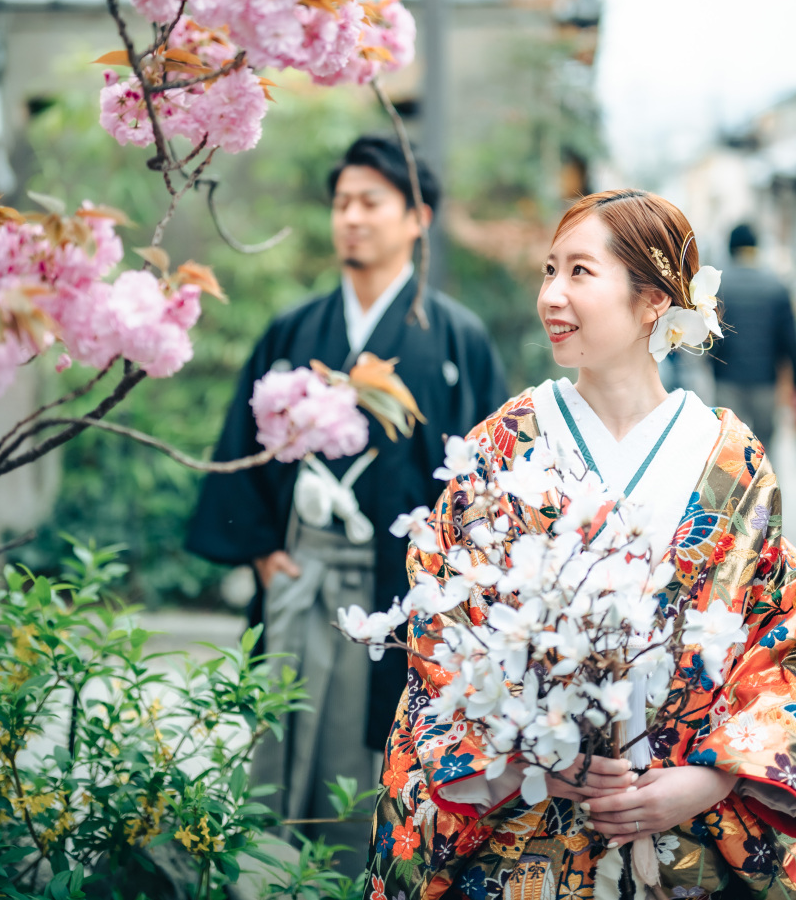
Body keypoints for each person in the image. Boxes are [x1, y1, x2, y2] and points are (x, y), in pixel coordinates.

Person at [367, 189, 796, 900]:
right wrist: (516, 751)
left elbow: (774, 635)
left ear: (653, 298)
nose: (551, 295)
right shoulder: (506, 442)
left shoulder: (732, 460)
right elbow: (441, 622)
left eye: (579, 272)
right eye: (548, 270)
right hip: (522, 820)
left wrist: (704, 779)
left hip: (684, 827)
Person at [186, 133, 507, 870]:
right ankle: (271, 879)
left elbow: (485, 482)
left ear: (417, 216)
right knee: (285, 740)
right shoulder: (296, 329)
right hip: (303, 575)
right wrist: (264, 549)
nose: (351, 217)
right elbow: (243, 445)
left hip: (405, 591)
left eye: (371, 201)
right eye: (341, 202)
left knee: (383, 755)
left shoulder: (459, 338)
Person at [711, 222, 796, 450]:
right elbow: (790, 340)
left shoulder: (720, 284)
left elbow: (709, 337)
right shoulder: (776, 285)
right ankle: (765, 484)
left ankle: (736, 486)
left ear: (731, 248)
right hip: (766, 383)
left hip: (727, 379)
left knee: (730, 447)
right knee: (764, 447)